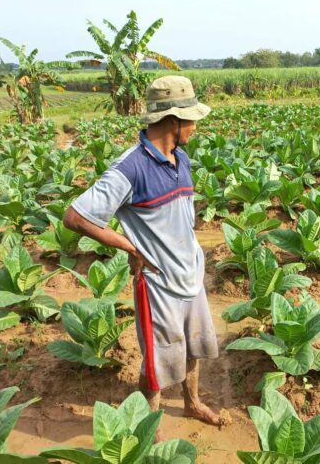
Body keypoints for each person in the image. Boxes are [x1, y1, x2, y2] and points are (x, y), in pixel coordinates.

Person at [63, 76, 221, 440]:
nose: (195, 128)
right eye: (192, 120)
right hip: (159, 284)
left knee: (192, 344)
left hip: (190, 274)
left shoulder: (179, 157)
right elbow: (76, 217)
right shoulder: (130, 168)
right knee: (158, 362)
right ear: (172, 120)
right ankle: (148, 428)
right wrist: (131, 247)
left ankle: (192, 402)